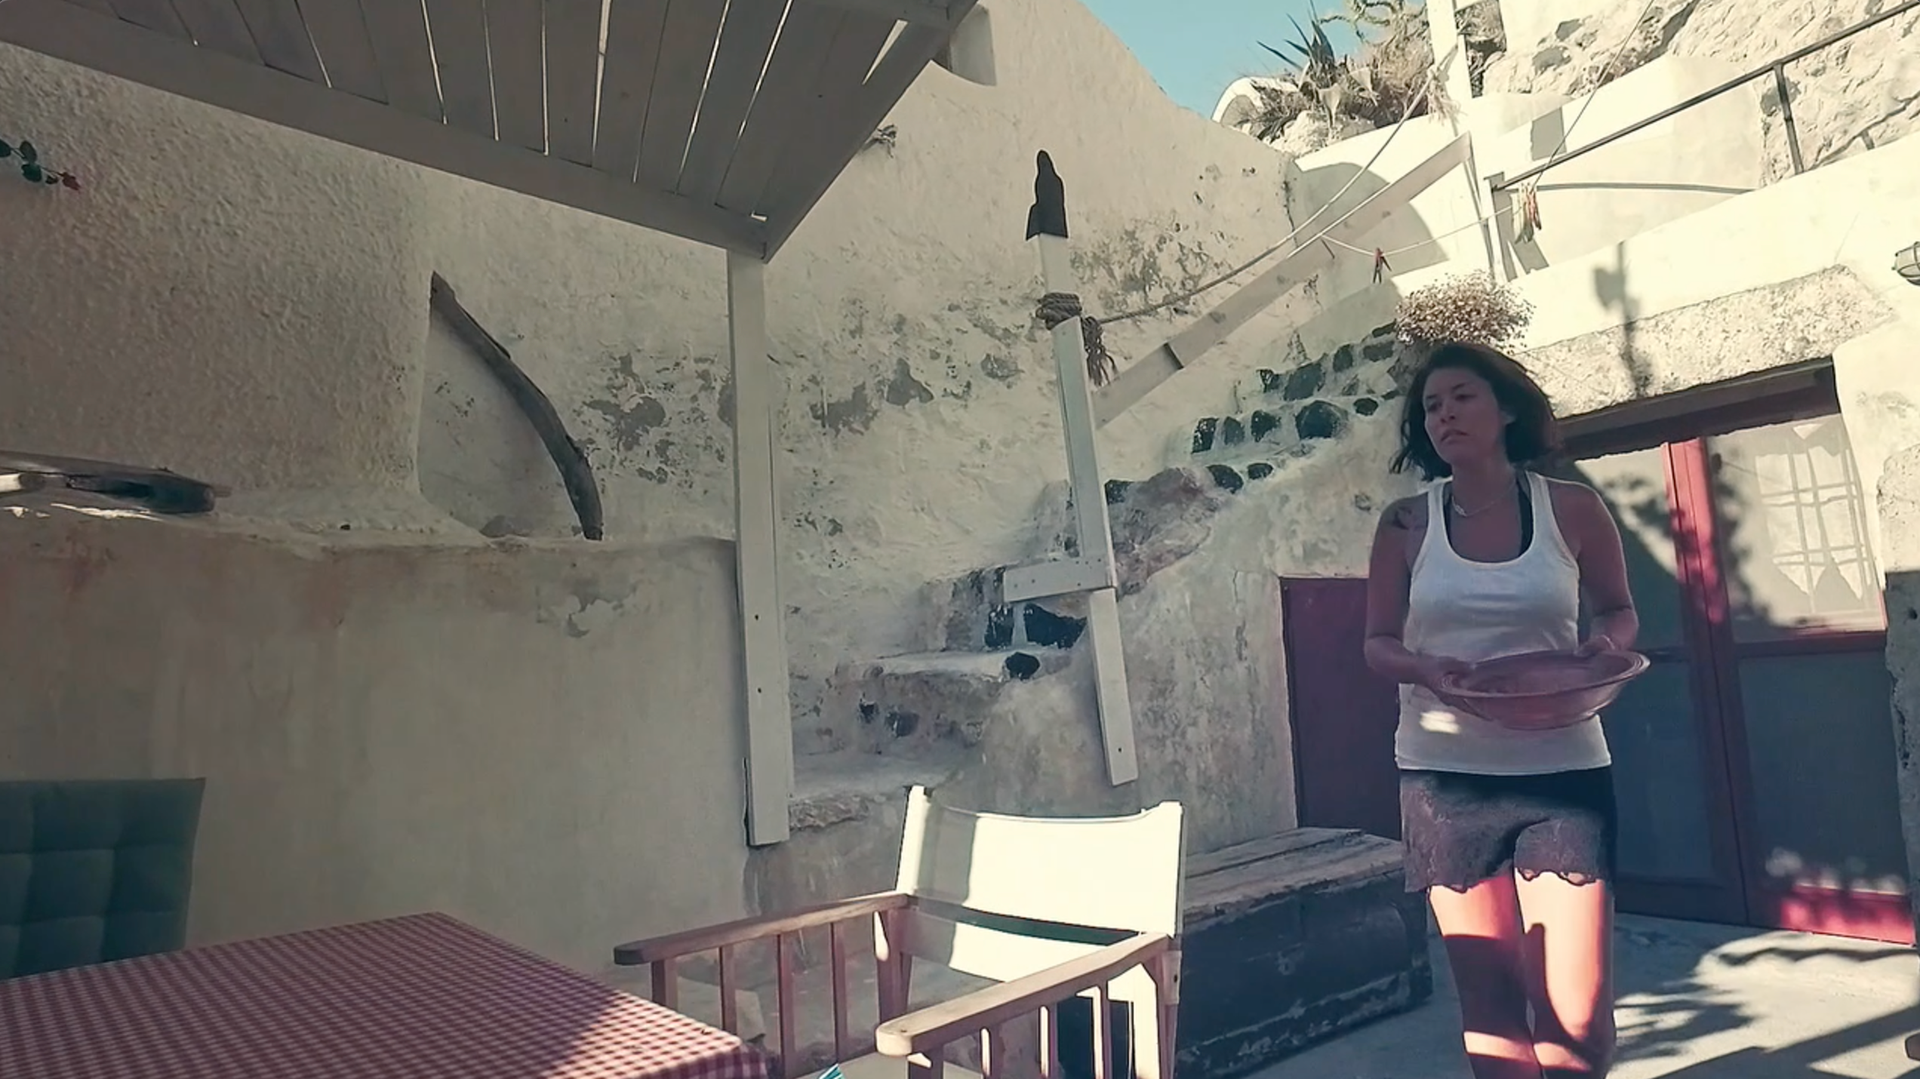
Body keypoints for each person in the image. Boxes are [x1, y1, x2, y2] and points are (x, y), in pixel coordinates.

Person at [1363, 341, 1638, 1079]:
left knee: (1577, 1016)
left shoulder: (1572, 507)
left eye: (1463, 397)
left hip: (1563, 773)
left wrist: (1603, 646)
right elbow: (1378, 643)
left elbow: (1619, 610)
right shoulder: (1404, 523)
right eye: (1431, 406)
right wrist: (1425, 668)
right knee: (1490, 1009)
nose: (1445, 415)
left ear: (1507, 409)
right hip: (1446, 778)